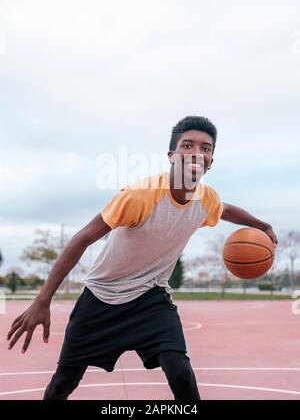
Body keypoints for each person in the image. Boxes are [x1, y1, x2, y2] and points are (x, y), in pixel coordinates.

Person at [7, 116, 278, 400]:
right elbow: (82, 238)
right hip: (101, 297)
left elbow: (226, 210)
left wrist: (262, 225)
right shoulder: (140, 196)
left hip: (151, 299)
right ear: (172, 155)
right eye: (188, 145)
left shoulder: (206, 200)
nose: (198, 152)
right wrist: (43, 299)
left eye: (206, 148)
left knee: (180, 372)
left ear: (211, 161)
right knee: (64, 381)